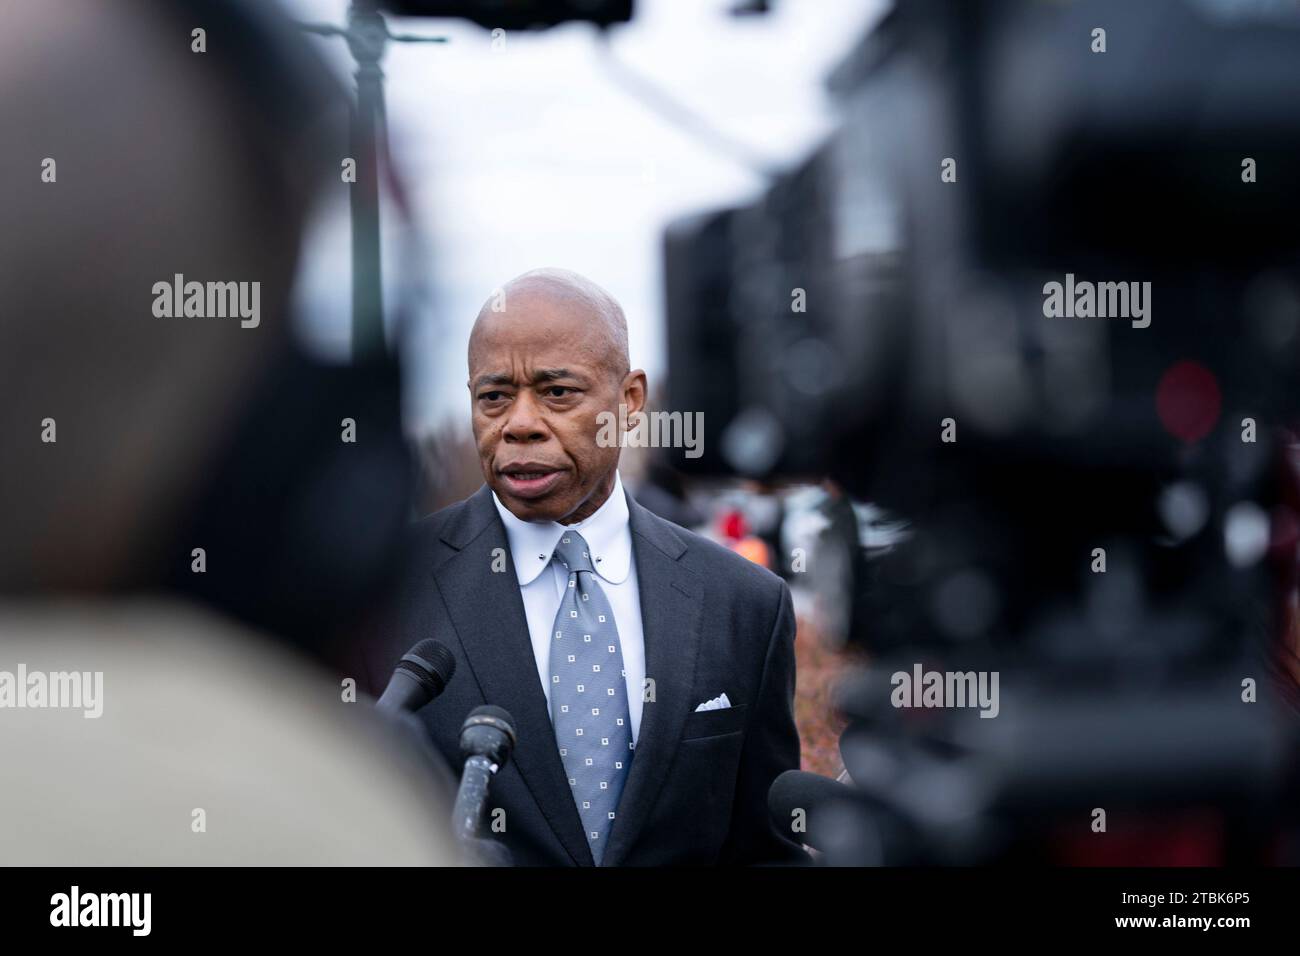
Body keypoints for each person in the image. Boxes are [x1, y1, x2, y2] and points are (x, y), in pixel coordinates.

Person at [376, 268, 807, 865]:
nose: (520, 423)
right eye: (494, 396)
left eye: (557, 393)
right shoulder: (384, 590)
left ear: (629, 401)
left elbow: (766, 851)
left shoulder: (745, 602)